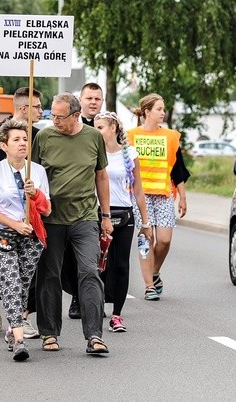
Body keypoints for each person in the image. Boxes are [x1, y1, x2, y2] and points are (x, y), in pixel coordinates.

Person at [32, 93, 113, 356]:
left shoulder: (93, 137)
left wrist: (106, 216)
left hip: (85, 216)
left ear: (76, 115)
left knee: (89, 272)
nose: (53, 120)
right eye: (51, 115)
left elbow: (101, 176)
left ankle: (94, 336)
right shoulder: (44, 137)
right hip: (51, 218)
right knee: (50, 274)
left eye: (59, 116)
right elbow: (32, 173)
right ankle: (49, 332)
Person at [0, 120, 51, 361]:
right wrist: (14, 225)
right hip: (4, 235)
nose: (22, 144)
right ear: (3, 145)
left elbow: (47, 209)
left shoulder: (37, 171)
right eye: (16, 140)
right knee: (9, 283)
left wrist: (35, 193)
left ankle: (12, 328)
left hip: (31, 237)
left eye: (25, 139)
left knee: (21, 285)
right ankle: (20, 340)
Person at [0, 88, 43, 337]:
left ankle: (23, 317)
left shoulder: (37, 135)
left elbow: (39, 172)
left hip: (28, 216)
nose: (40, 111)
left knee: (27, 271)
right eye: (37, 106)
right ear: (24, 108)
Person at [127, 93, 191, 300]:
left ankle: (154, 273)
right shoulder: (130, 136)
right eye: (159, 109)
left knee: (164, 240)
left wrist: (182, 197)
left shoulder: (171, 137)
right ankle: (148, 286)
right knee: (147, 237)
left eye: (163, 109)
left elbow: (178, 170)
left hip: (163, 195)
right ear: (147, 112)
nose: (163, 113)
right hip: (139, 196)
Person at [93, 112, 153, 332]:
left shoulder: (130, 153)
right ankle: (96, 306)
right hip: (98, 214)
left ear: (113, 129)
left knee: (120, 265)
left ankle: (117, 315)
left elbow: (138, 190)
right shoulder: (93, 152)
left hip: (124, 214)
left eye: (100, 127)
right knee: (99, 265)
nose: (96, 130)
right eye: (95, 126)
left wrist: (146, 223)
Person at [67, 82, 104, 319]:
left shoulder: (106, 128)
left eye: (97, 99)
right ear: (80, 101)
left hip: (96, 203)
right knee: (74, 255)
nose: (93, 102)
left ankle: (92, 299)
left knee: (94, 256)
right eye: (89, 98)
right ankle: (76, 297)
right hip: (73, 203)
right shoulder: (70, 127)